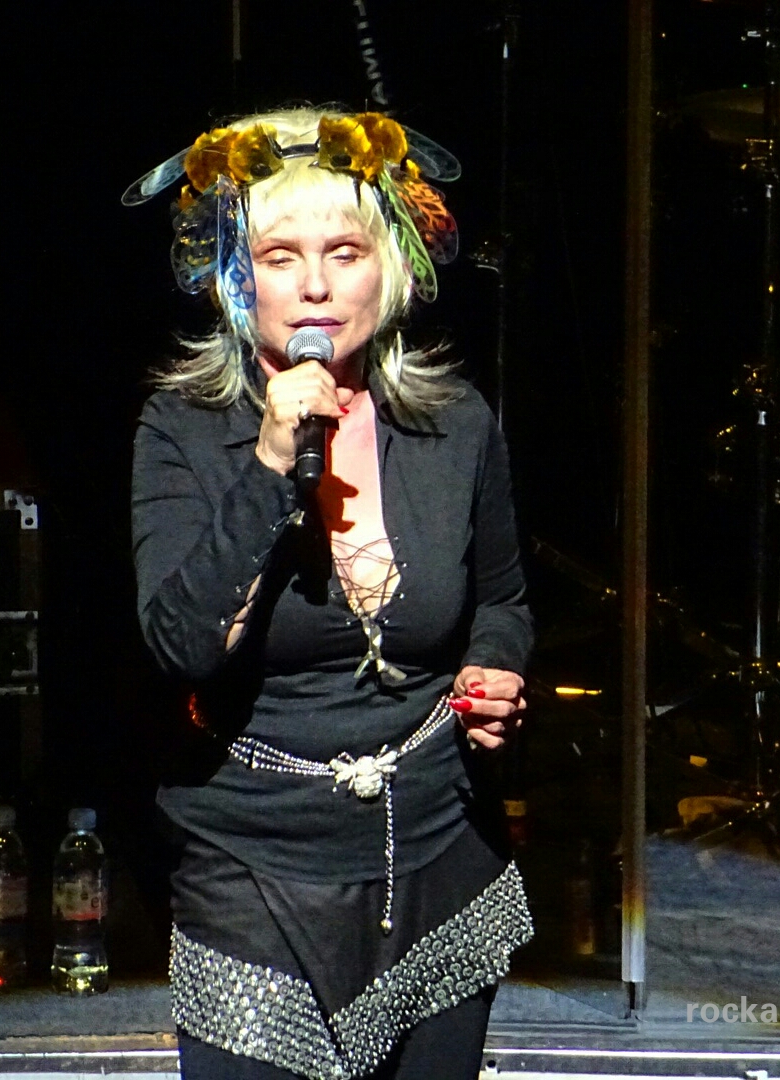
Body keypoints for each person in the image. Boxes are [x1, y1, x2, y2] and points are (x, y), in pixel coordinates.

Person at [127, 107, 534, 1080]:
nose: (315, 284)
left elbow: (504, 598)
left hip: (438, 853)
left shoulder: (455, 422)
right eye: (281, 257)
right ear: (238, 277)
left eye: (344, 252)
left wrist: (494, 671)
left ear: (387, 266)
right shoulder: (183, 429)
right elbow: (182, 644)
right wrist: (271, 462)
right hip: (257, 869)